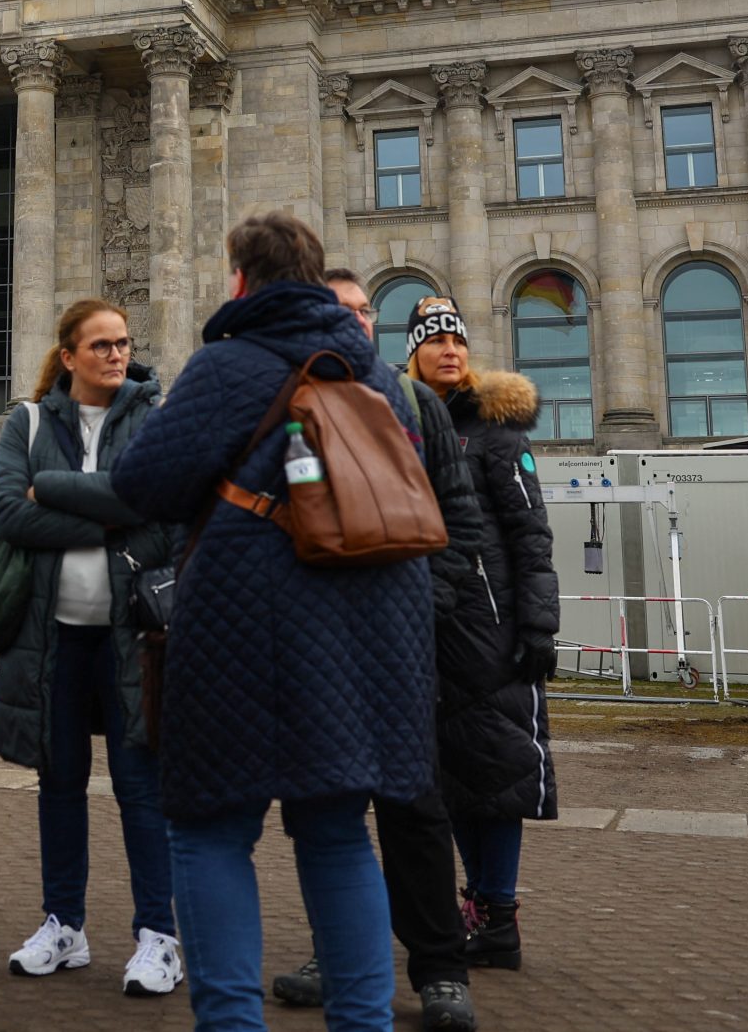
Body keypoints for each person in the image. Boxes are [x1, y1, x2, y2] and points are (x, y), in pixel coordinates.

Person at [109, 212, 437, 1032]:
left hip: (247, 630)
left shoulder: (229, 363)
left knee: (211, 830)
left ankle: (230, 1024)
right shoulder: (381, 378)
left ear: (241, 281)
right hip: (371, 633)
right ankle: (365, 1024)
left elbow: (141, 482)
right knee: (336, 832)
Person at [274, 273, 489, 1030]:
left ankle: (440, 970)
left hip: (401, 639)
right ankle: (340, 955)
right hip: (322, 641)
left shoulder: (417, 403)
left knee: (415, 807)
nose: (359, 322)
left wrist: (421, 602)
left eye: (367, 311)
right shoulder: (292, 400)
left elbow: (460, 523)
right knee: (329, 809)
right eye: (345, 311)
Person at [0, 298, 182, 996]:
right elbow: (9, 510)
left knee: (139, 788)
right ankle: (64, 924)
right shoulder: (28, 421)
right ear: (68, 355)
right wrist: (109, 516)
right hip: (52, 637)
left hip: (130, 637)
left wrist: (59, 495)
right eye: (100, 344)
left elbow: (162, 512)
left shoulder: (153, 421)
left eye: (123, 343)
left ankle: (159, 935)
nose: (116, 354)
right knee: (58, 782)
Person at [401, 294, 558, 970]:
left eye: (458, 340)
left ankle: (498, 914)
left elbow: (532, 537)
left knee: (495, 774)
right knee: (451, 776)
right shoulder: (402, 426)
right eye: (435, 340)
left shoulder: (499, 435)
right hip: (428, 628)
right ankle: (479, 907)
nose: (449, 349)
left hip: (490, 634)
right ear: (413, 352)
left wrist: (539, 626)